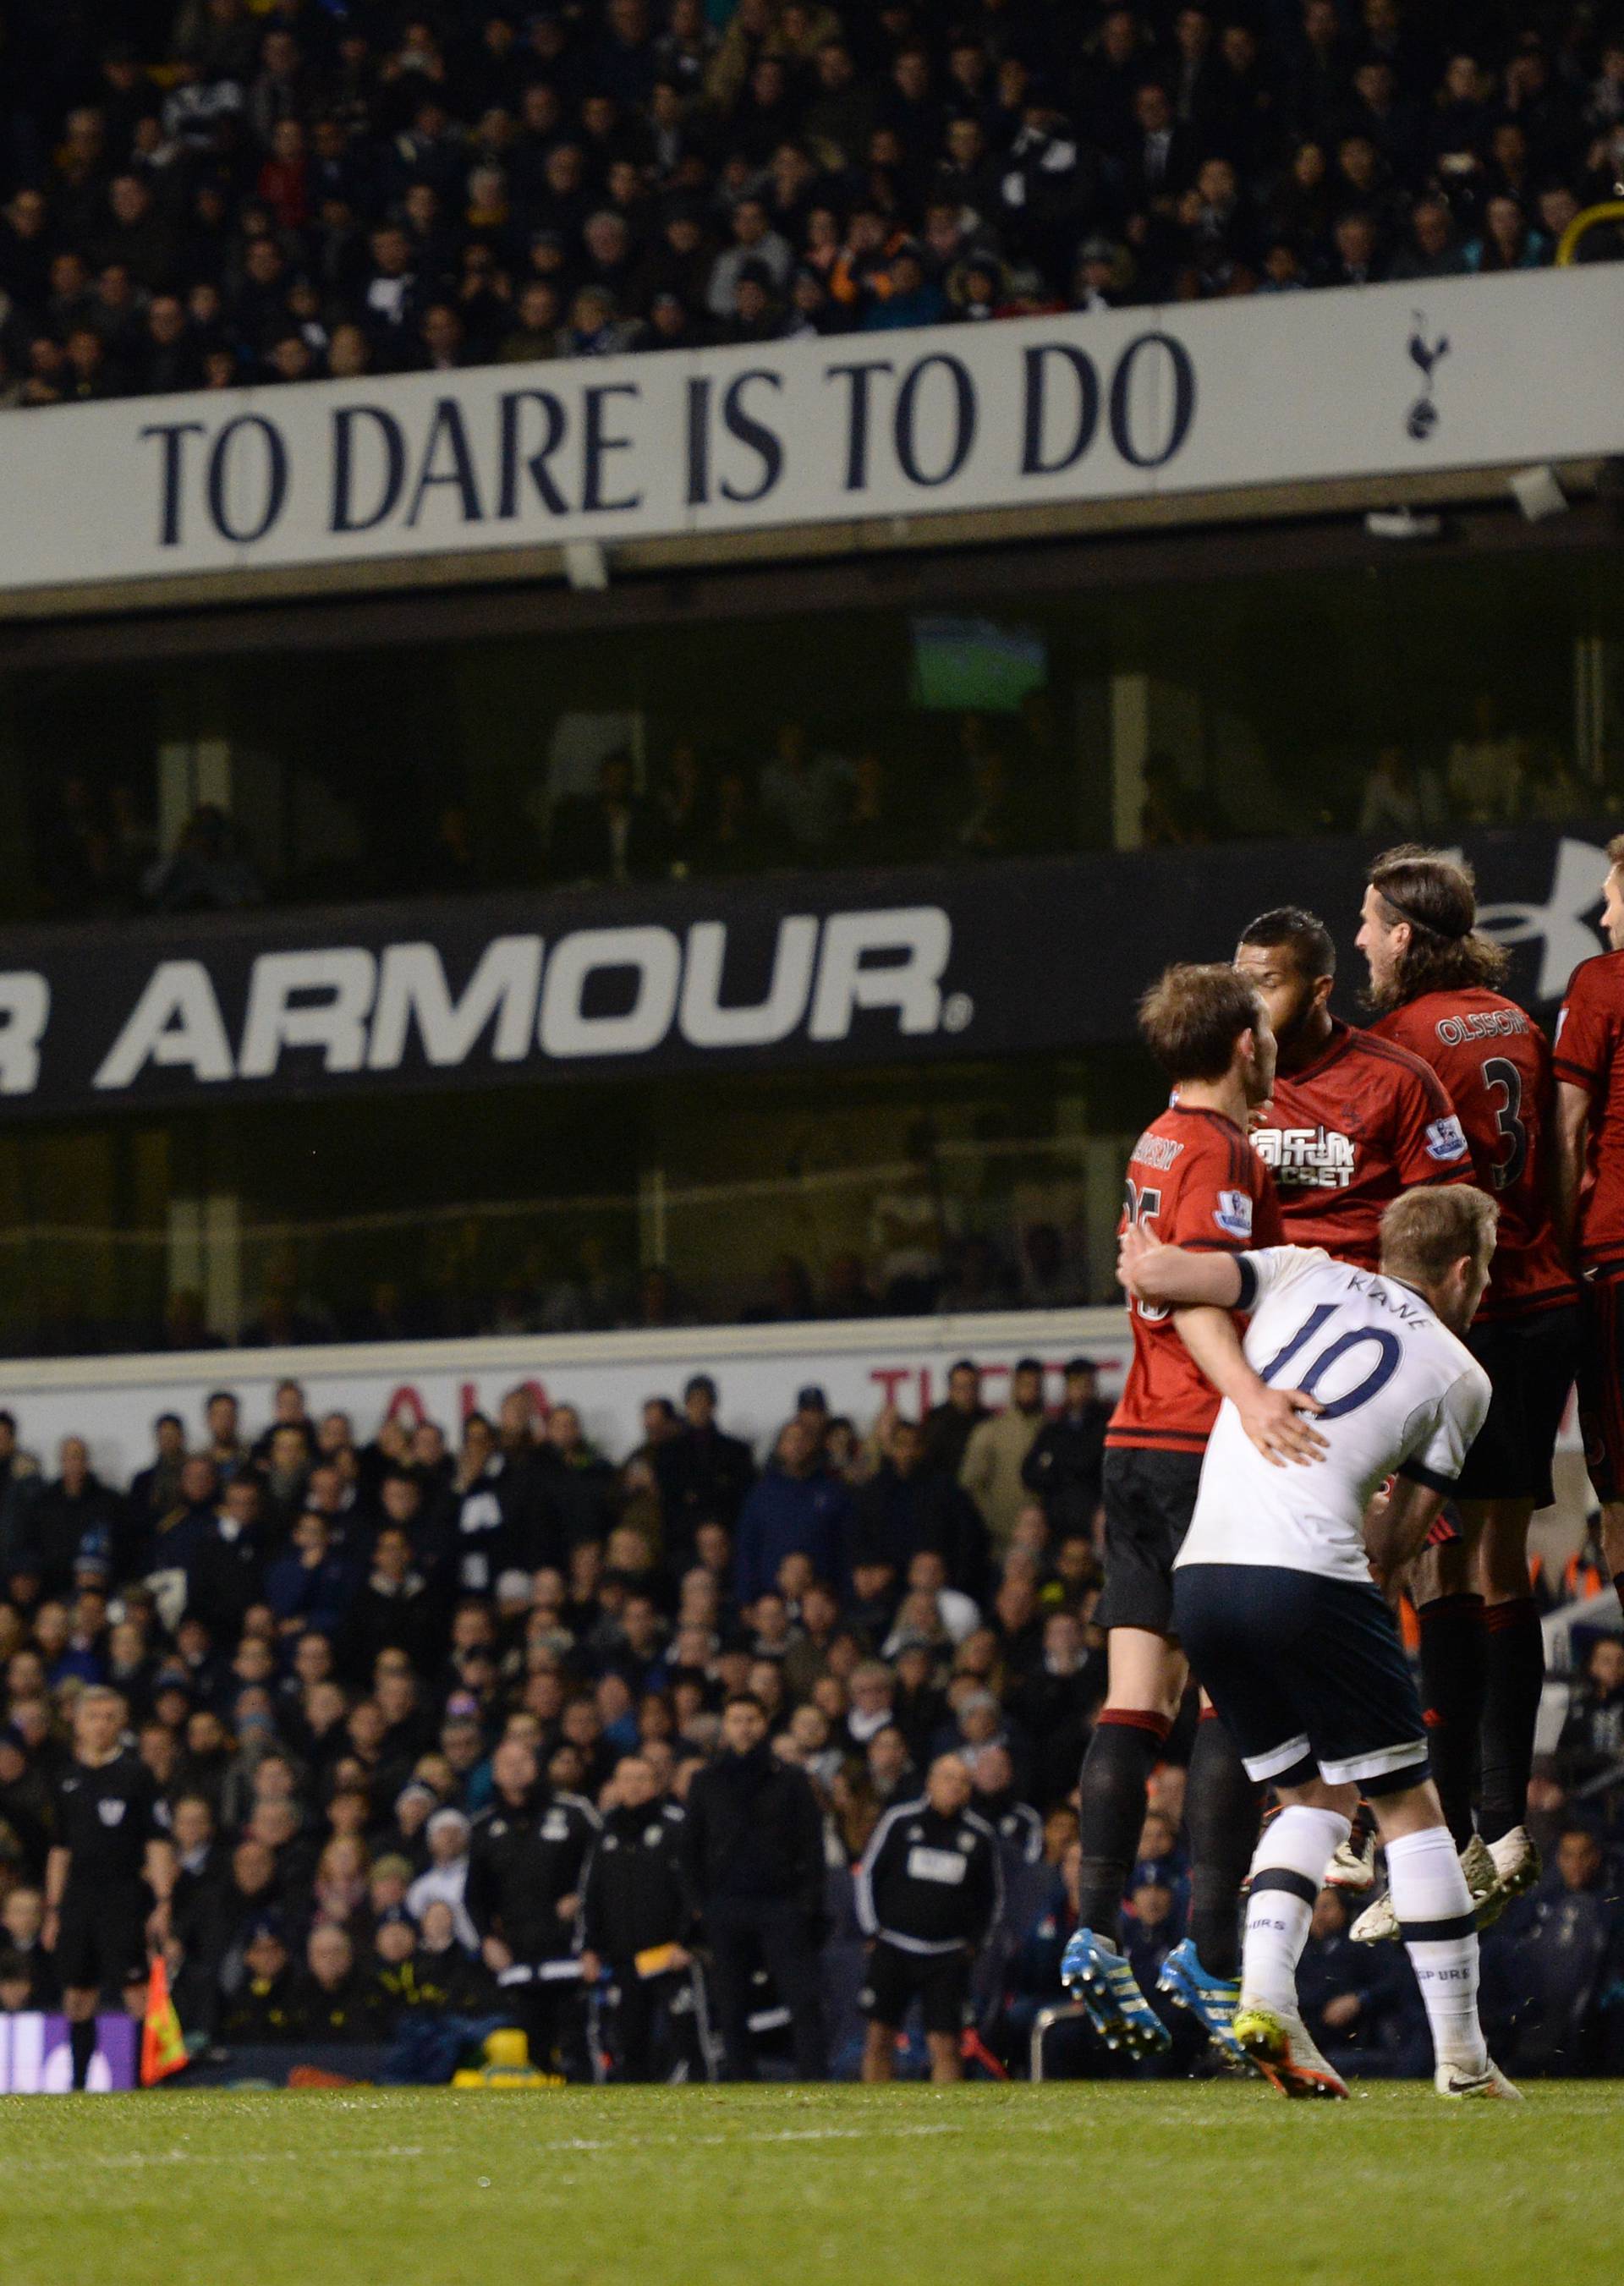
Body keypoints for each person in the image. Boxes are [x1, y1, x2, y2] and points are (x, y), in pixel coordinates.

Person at [1127, 1182, 1519, 2098]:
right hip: (1309, 1575)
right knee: (1410, 1809)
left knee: (1311, 1795)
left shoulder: (1303, 1270)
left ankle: (1267, 1999)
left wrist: (1144, 1257)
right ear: (1463, 1271)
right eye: (1487, 1269)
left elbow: (1172, 1280)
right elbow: (1392, 1553)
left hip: (1206, 1574)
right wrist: (1375, 1511)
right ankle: (1463, 2060)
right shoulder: (1464, 1375)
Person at [1062, 962, 1297, 2067]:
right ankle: (1207, 1948)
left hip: (1132, 1443)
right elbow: (1201, 1292)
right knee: (1230, 1698)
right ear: (1246, 1042)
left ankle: (1098, 1930)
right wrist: (1250, 1397)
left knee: (1132, 1697)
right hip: (1202, 1439)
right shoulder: (1221, 1153)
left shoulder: (1157, 1137)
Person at [1356, 847, 1581, 1909]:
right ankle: (1503, 1822)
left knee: (1436, 1568)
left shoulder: (1394, 1044)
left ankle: (1448, 1836)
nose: (1358, 940)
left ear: (1405, 933)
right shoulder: (1515, 1019)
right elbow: (1563, 1160)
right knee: (1502, 1564)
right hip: (1548, 1302)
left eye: (1367, 923)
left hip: (1468, 1317)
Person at [1552, 834, 1624, 1621]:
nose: (1604, 916)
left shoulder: (1601, 983)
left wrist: (1557, 1254)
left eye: (1612, 896)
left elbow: (1570, 1132)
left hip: (1615, 1261)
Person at [683, 1693, 826, 2080]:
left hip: (781, 1906)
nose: (743, 1727)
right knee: (731, 2007)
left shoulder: (791, 1779)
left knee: (802, 2001)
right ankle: (743, 2085)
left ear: (764, 1724)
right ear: (725, 1727)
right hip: (726, 1907)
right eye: (735, 1719)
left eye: (750, 1719)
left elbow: (812, 1845)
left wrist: (807, 1903)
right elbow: (690, 1848)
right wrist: (701, 1907)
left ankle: (814, 2080)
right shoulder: (705, 1781)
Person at [43, 1685, 175, 2089]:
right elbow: (60, 1848)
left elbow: (156, 1841)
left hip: (124, 1897)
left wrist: (163, 1900)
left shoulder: (136, 1775)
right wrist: (53, 1909)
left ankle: (143, 2084)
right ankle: (79, 2086)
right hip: (79, 1900)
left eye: (109, 1717)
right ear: (77, 1723)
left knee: (136, 1990)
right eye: (92, 1717)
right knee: (78, 1995)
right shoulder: (65, 1777)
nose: (101, 1725)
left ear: (121, 1723)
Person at [854, 1752, 1001, 2084]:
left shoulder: (979, 1836)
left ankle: (944, 2116)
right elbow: (868, 1875)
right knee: (879, 2035)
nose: (956, 1787)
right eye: (948, 1778)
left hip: (946, 1955)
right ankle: (872, 2111)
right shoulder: (900, 1821)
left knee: (946, 2042)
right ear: (930, 1782)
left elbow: (992, 1898)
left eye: (963, 1781)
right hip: (894, 1946)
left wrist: (974, 1944)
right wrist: (872, 1928)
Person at [464, 1736, 599, 2078]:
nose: (515, 1769)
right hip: (519, 1955)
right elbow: (474, 1897)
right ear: (494, 1773)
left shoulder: (574, 1813)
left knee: (578, 2045)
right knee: (534, 2049)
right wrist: (487, 1940)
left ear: (537, 1766)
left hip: (572, 1952)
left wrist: (582, 1904)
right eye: (506, 1764)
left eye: (523, 1761)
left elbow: (604, 1868)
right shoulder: (483, 1827)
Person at [579, 1753, 702, 2081]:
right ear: (615, 1785)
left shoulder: (676, 1827)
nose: (633, 1786)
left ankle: (701, 2101)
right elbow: (592, 1895)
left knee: (685, 2037)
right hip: (625, 1960)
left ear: (656, 1784)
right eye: (626, 1779)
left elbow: (693, 1890)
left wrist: (687, 1941)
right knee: (630, 2042)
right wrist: (590, 1947)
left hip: (668, 1956)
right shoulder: (605, 1832)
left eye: (641, 1779)